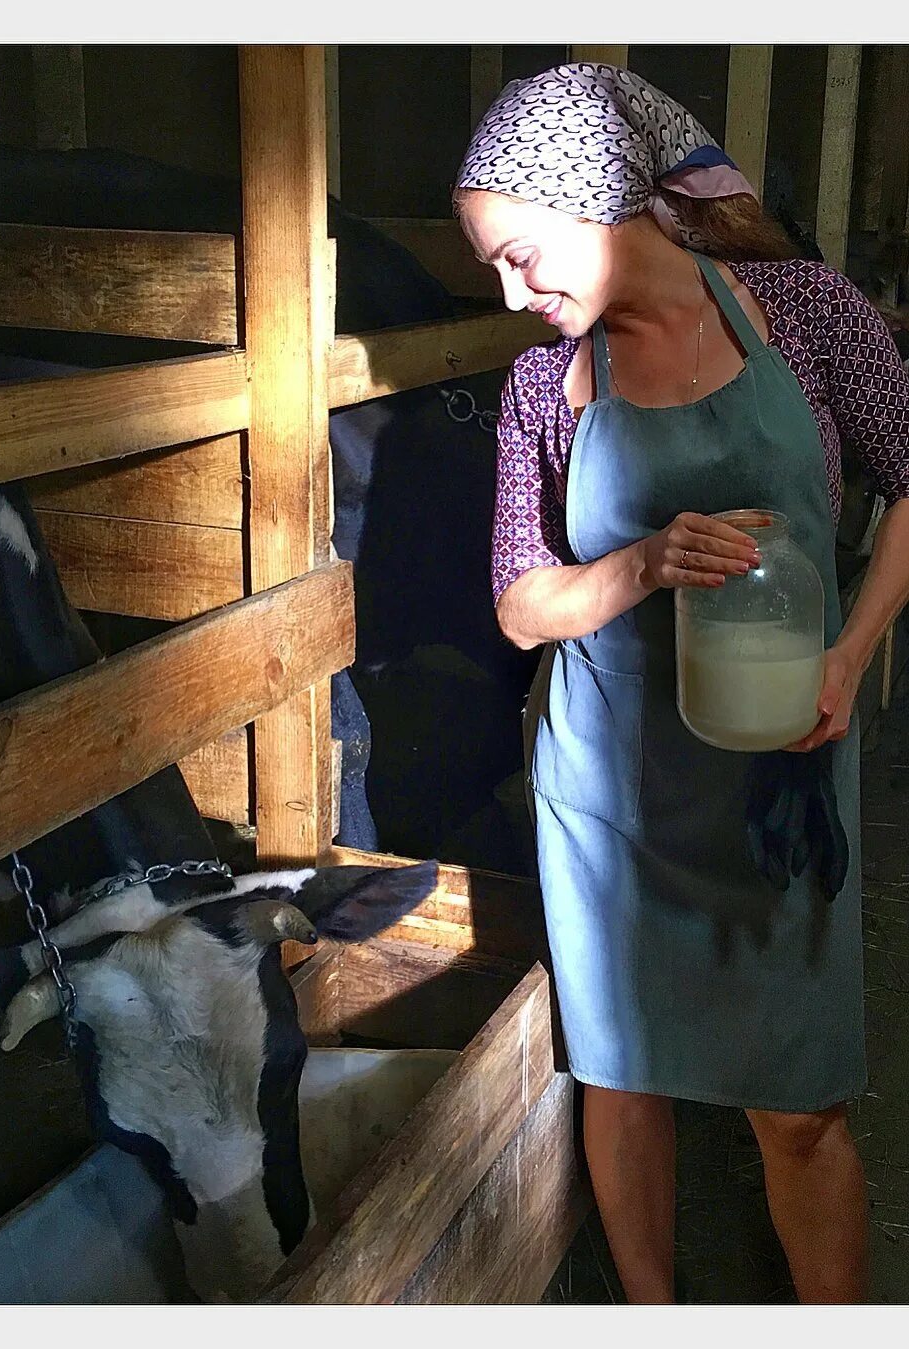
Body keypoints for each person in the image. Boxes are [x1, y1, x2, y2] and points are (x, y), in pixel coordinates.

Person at [453, 63, 909, 1304]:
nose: (512, 292)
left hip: (777, 769)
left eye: (523, 254)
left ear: (604, 200)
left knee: (796, 1104)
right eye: (496, 268)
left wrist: (852, 656)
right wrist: (643, 562)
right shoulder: (546, 384)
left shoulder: (804, 314)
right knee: (625, 1073)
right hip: (611, 792)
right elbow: (519, 600)